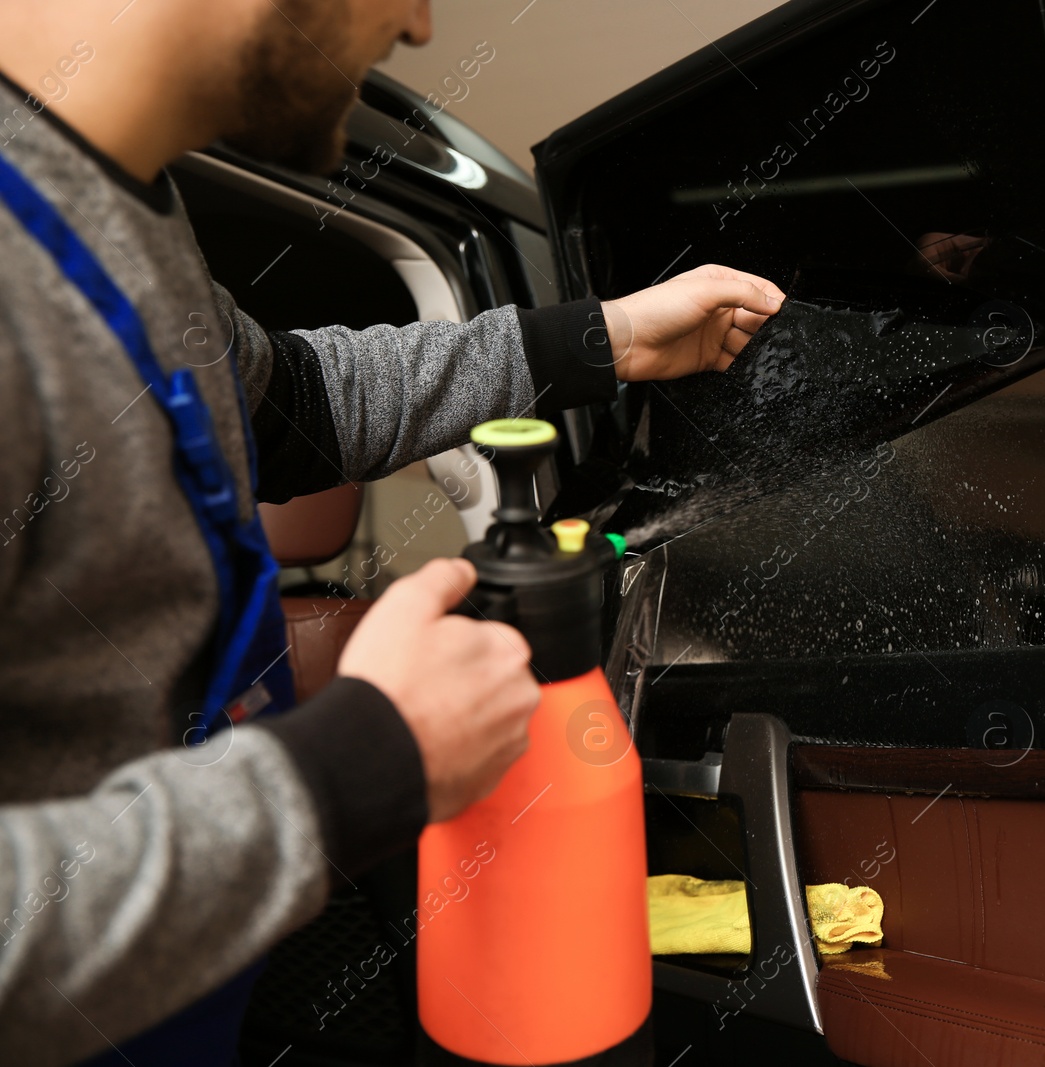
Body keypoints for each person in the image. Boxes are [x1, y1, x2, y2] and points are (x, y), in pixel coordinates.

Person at [0, 1, 785, 1063]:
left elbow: (290, 406)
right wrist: (360, 763)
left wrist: (596, 338)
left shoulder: (120, 205)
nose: (419, 24)